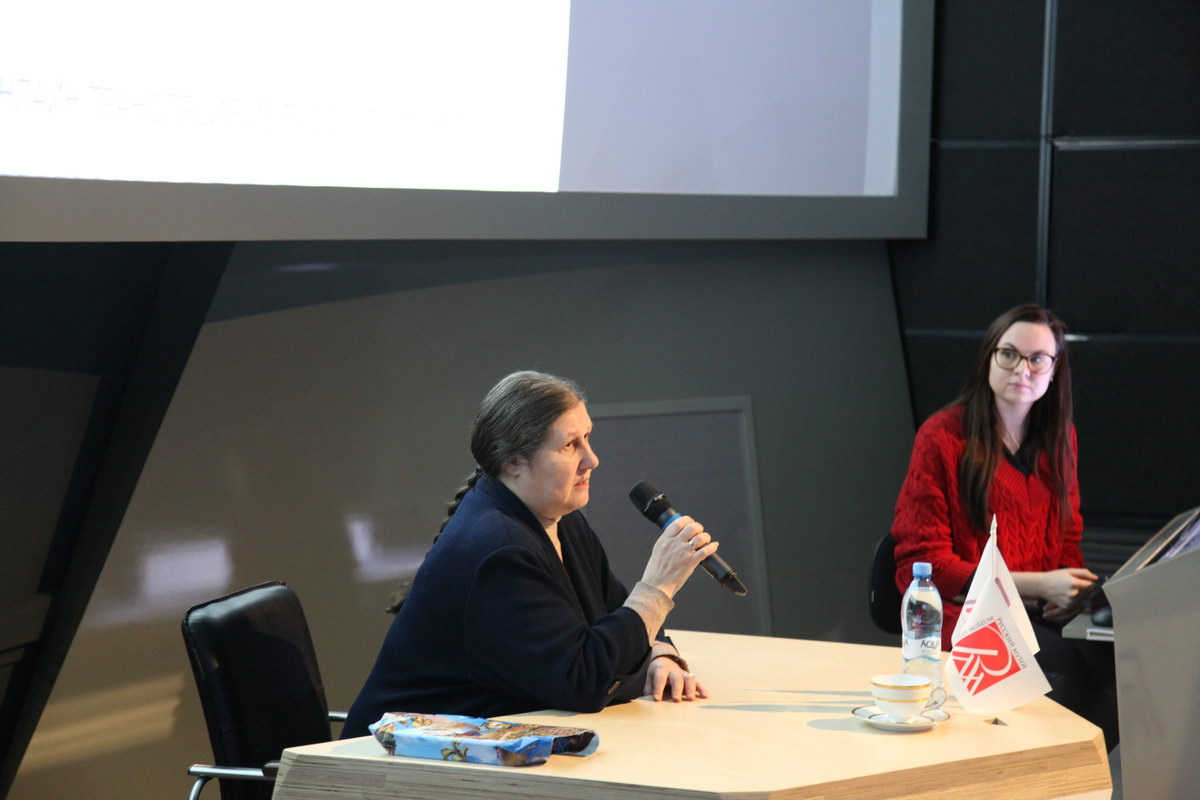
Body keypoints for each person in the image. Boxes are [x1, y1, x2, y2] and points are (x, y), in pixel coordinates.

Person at [342, 370, 718, 738]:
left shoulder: (560, 519)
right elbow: (584, 682)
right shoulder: (500, 550)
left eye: (588, 438)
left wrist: (659, 655)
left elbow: (618, 614)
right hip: (390, 760)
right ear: (513, 462)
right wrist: (659, 585)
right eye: (569, 445)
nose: (592, 459)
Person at [891, 304, 1119, 750]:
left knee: (1121, 676)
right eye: (1009, 354)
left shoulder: (1060, 437)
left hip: (1034, 617)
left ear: (1054, 370)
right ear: (989, 359)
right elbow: (924, 563)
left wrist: (1067, 594)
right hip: (966, 617)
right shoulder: (942, 437)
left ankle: (1064, 782)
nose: (1022, 369)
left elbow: (1067, 537)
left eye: (1038, 359)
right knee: (1065, 676)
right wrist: (1039, 585)